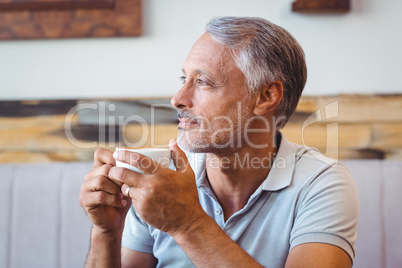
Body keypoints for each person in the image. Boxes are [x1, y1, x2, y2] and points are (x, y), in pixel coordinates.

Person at [79, 16, 358, 267]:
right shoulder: (160, 177)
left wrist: (187, 223)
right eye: (183, 78)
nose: (177, 98)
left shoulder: (321, 183)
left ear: (266, 97)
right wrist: (106, 233)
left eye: (203, 82)